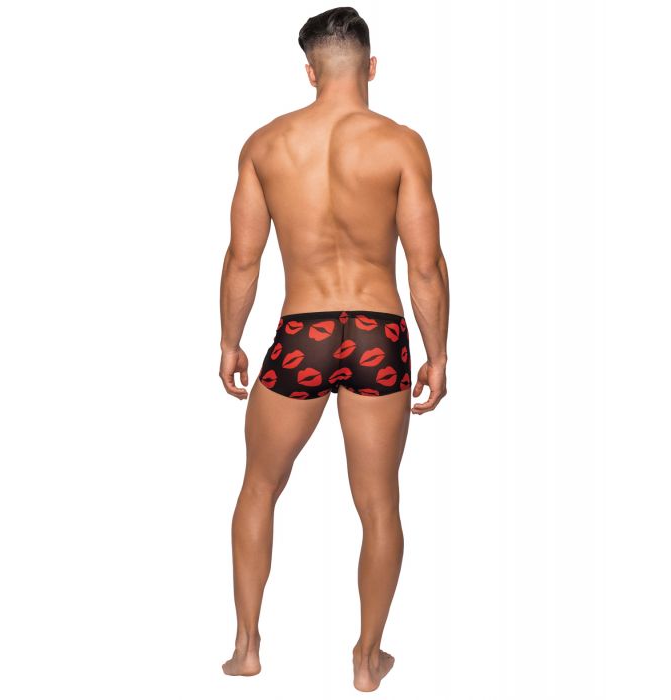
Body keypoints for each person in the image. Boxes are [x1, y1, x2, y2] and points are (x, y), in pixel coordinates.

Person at [218, 6, 449, 692]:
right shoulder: (400, 144)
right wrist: (437, 353)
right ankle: (367, 659)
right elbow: (426, 265)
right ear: (371, 67)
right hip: (377, 333)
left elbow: (242, 259)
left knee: (260, 487)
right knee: (378, 504)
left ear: (310, 72)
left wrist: (230, 341)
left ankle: (247, 647)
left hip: (303, 335)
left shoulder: (267, 144)